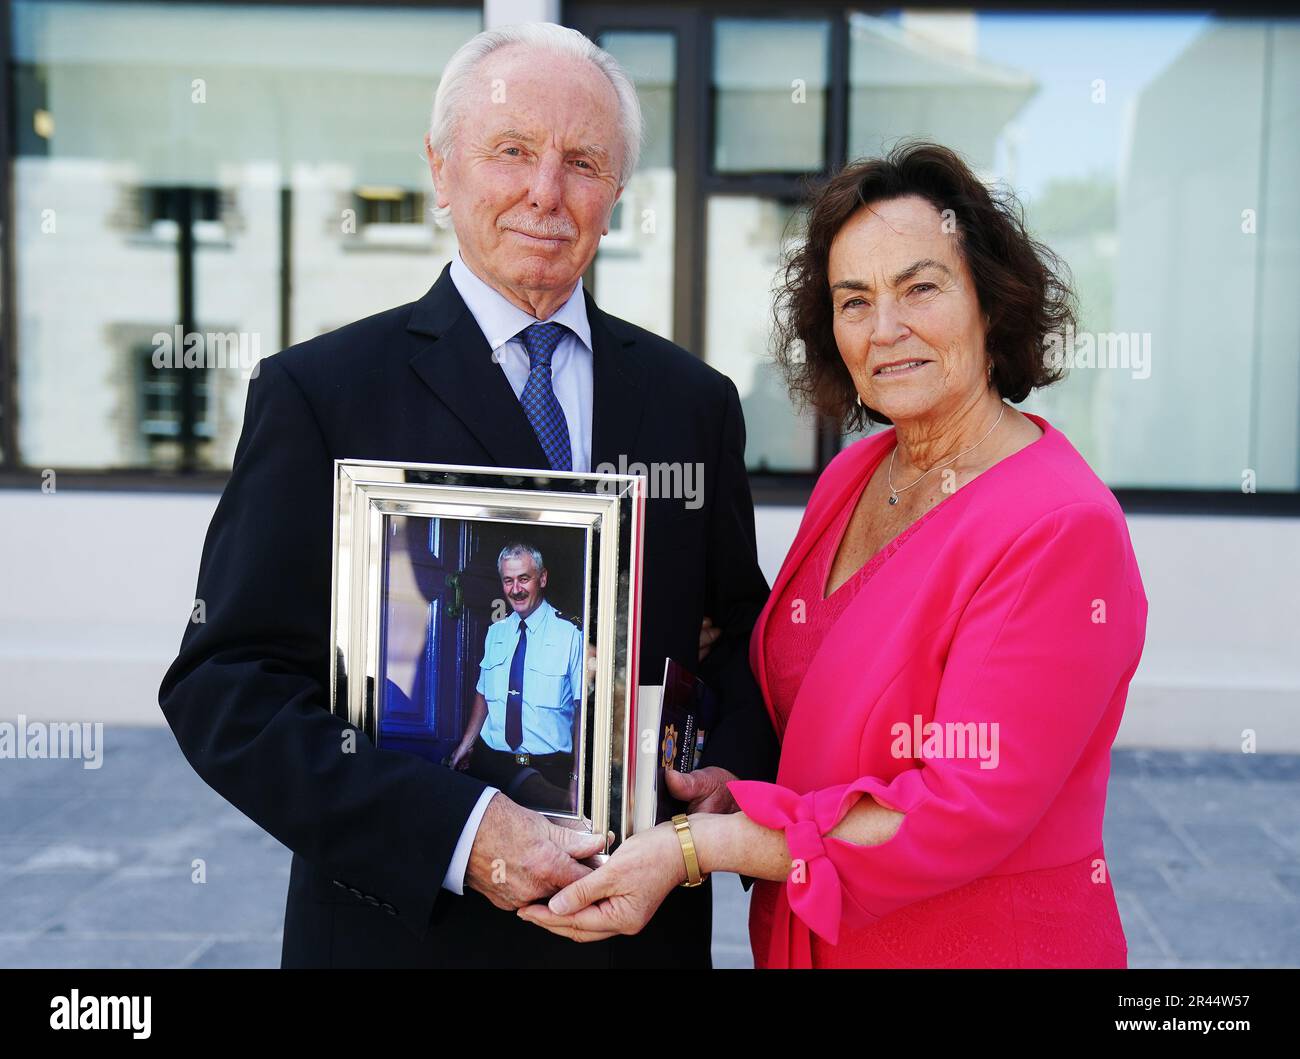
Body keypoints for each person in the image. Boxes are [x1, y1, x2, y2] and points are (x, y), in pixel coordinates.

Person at [157, 22, 776, 969]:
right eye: (512, 151)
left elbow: (737, 630)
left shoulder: (693, 403)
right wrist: (462, 831)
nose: (545, 192)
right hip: (405, 938)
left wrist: (730, 771)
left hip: (635, 934)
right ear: (441, 170)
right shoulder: (323, 394)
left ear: (616, 194)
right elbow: (227, 687)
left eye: (582, 161)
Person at [520, 141, 1149, 969]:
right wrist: (733, 790)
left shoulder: (1060, 527)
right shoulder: (856, 474)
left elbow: (956, 808)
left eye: (921, 287)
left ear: (991, 303)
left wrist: (704, 846)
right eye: (855, 300)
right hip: (819, 939)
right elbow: (817, 709)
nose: (886, 329)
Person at [450, 543, 584, 813]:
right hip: (493, 766)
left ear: (542, 578)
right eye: (508, 581)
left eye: (524, 579)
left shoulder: (571, 635)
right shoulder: (496, 633)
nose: (516, 589)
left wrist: (577, 779)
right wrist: (466, 744)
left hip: (547, 769)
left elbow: (582, 713)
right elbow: (484, 694)